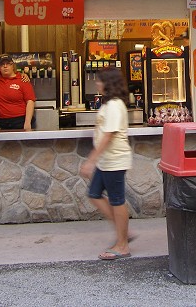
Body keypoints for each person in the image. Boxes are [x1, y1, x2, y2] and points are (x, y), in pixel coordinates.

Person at [80, 67, 133, 260]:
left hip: (114, 161)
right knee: (94, 194)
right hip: (106, 162)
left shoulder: (114, 106)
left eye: (100, 80)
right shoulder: (109, 104)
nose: (97, 83)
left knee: (117, 200)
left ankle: (123, 245)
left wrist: (90, 160)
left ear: (108, 83)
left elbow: (108, 136)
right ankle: (123, 232)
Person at [0, 54, 36, 130]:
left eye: (8, 64)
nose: (5, 66)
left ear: (13, 66)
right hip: (1, 123)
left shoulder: (22, 80)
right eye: (2, 64)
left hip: (20, 121)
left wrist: (27, 122)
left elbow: (30, 101)